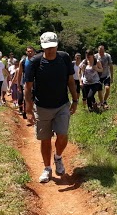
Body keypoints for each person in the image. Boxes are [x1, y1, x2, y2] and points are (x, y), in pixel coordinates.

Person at [24, 32, 79, 183]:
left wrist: (75, 100)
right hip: (42, 106)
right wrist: (28, 110)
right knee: (45, 139)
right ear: (42, 47)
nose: (50, 50)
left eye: (52, 47)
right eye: (47, 48)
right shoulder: (34, 62)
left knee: (62, 135)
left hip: (62, 104)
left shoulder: (64, 58)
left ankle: (58, 157)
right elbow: (27, 88)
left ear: (57, 45)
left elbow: (70, 81)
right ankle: (47, 168)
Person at [15, 46, 36, 118]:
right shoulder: (23, 61)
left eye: (31, 51)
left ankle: (33, 113)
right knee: (26, 97)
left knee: (34, 98)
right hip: (26, 83)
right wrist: (18, 85)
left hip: (36, 83)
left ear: (34, 52)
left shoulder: (37, 60)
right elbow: (20, 73)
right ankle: (26, 112)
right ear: (26, 52)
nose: (30, 53)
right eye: (28, 51)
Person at [95, 45, 114, 109]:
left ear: (104, 50)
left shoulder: (108, 56)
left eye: (102, 51)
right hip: (98, 77)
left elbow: (111, 66)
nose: (101, 53)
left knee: (107, 88)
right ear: (98, 51)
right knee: (99, 91)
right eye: (99, 51)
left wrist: (112, 77)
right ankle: (102, 102)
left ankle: (105, 101)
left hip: (106, 75)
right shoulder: (96, 56)